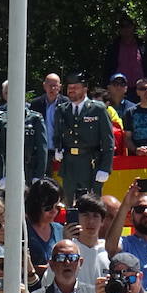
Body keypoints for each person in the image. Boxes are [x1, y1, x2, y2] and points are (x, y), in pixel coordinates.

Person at [55, 72, 116, 202]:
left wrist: (105, 168)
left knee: (90, 204)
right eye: (69, 88)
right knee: (69, 203)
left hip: (90, 163)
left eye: (75, 87)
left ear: (85, 88)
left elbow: (108, 141)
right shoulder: (62, 110)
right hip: (69, 163)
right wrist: (58, 148)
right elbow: (58, 133)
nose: (71, 91)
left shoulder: (97, 109)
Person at [69, 193, 112, 286]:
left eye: (96, 216)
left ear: (102, 221)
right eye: (86, 215)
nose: (91, 221)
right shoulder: (68, 249)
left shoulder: (109, 250)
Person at [24, 177, 66, 270]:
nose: (54, 211)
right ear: (36, 206)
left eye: (57, 207)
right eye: (48, 207)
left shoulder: (61, 230)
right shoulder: (23, 230)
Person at [103, 14, 147, 93]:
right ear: (119, 29)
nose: (126, 29)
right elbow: (107, 69)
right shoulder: (113, 47)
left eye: (128, 25)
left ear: (133, 27)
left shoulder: (143, 46)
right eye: (122, 26)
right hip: (119, 88)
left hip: (140, 89)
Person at [28, 72, 66, 153]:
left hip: (60, 151)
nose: (52, 88)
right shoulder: (36, 104)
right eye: (50, 85)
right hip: (40, 151)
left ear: (59, 87)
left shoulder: (67, 104)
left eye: (55, 86)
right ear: (44, 86)